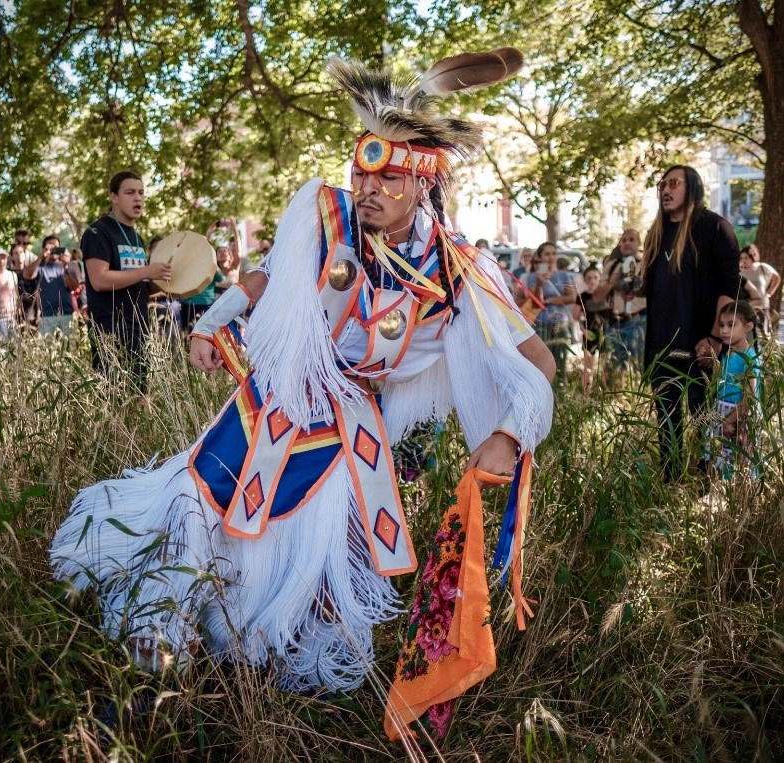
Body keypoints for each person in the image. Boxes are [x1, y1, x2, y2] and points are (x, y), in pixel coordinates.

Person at [51, 51, 554, 695]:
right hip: (281, 388)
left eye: (388, 176)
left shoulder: (457, 274)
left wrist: (510, 434)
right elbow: (267, 277)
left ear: (423, 182)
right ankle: (163, 616)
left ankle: (261, 635)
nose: (367, 187)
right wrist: (212, 322)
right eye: (361, 168)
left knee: (313, 545)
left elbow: (536, 360)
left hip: (352, 425)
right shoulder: (325, 215)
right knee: (206, 491)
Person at [642, 164, 740, 481]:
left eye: (674, 183)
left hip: (701, 345)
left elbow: (731, 288)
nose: (666, 190)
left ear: (692, 187)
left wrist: (714, 338)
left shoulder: (714, 228)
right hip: (662, 347)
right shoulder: (655, 234)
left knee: (703, 420)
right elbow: (653, 289)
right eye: (662, 184)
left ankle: (702, 484)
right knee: (667, 422)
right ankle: (670, 484)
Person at [81, 171, 171, 391]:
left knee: (138, 394)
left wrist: (170, 284)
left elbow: (138, 283)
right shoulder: (97, 232)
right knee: (114, 396)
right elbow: (99, 280)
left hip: (138, 325)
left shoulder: (136, 237)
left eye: (141, 192)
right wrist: (146, 271)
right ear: (114, 197)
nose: (138, 198)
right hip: (110, 328)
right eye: (130, 192)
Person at [703, 301, 761, 480]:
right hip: (722, 413)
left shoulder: (749, 358)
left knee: (738, 462)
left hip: (737, 417)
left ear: (748, 327)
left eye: (731, 325)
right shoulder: (727, 353)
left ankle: (740, 500)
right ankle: (720, 496)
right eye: (721, 325)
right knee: (721, 459)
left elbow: (749, 397)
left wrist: (729, 421)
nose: (724, 330)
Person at [516, 241, 576, 381]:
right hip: (540, 324)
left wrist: (550, 301)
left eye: (554, 253)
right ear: (540, 256)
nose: (551, 257)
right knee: (541, 365)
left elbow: (572, 297)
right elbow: (535, 302)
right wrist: (539, 284)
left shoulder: (564, 276)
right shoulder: (530, 278)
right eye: (547, 254)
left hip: (560, 323)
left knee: (560, 362)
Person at [599, 229, 647, 377]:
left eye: (631, 240)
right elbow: (597, 296)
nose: (627, 243)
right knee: (614, 368)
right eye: (623, 240)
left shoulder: (647, 263)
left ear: (639, 243)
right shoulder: (612, 265)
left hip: (638, 321)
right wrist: (613, 282)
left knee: (638, 366)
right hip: (614, 323)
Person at [23, 235, 79, 336]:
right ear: (44, 249)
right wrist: (41, 256)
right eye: (50, 247)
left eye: (56, 247)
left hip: (67, 314)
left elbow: (74, 288)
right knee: (47, 350)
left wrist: (66, 268)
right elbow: (27, 275)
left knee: (70, 348)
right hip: (47, 316)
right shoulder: (40, 266)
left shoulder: (67, 265)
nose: (53, 250)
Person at [577, 265, 611, 394]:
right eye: (589, 278)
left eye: (596, 277)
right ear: (585, 280)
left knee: (605, 366)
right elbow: (576, 317)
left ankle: (605, 392)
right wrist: (584, 331)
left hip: (605, 334)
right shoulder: (582, 297)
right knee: (588, 367)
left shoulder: (607, 295)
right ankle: (586, 393)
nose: (592, 280)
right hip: (589, 335)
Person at [739, 244, 780, 334]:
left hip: (762, 307)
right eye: (741, 258)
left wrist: (770, 292)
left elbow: (776, 277)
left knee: (763, 332)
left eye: (746, 257)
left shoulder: (761, 267)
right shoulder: (739, 271)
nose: (743, 260)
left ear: (752, 256)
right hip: (745, 307)